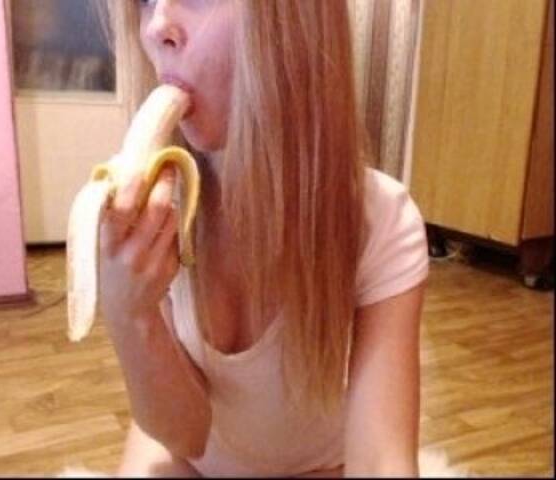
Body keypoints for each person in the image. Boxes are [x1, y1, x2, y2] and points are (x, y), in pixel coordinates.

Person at [96, 0, 429, 476]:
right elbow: (186, 434)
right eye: (145, 1)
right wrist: (130, 315)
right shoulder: (159, 215)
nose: (156, 27)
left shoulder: (382, 222)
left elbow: (381, 461)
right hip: (187, 459)